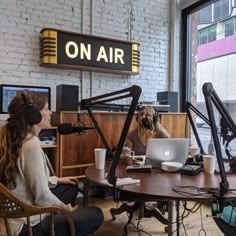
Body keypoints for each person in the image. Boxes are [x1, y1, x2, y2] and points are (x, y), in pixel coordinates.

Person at [0, 91, 104, 236]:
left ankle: (55, 217)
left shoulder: (13, 136)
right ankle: (54, 221)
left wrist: (57, 180)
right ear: (34, 115)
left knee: (70, 187)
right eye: (47, 109)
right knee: (96, 214)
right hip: (26, 224)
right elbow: (41, 196)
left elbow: (24, 177)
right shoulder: (30, 145)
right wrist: (65, 209)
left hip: (15, 215)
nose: (51, 113)